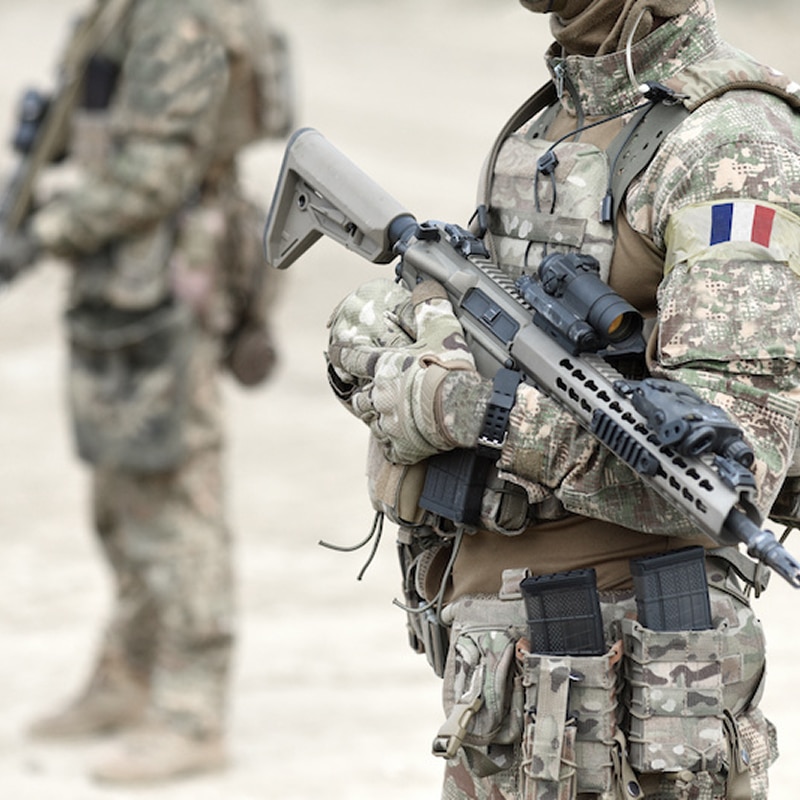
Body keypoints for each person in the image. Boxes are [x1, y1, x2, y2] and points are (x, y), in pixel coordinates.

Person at [324, 0, 800, 798]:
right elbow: (449, 313)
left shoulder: (731, 145)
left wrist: (476, 411)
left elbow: (739, 462)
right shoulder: (555, 120)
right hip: (499, 682)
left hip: (636, 698)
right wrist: (396, 345)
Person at [0, 0, 291, 785]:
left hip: (167, 280)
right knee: (122, 490)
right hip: (125, 277)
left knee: (176, 493)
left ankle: (192, 709)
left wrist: (43, 233)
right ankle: (129, 673)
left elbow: (158, 173)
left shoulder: (182, 15)